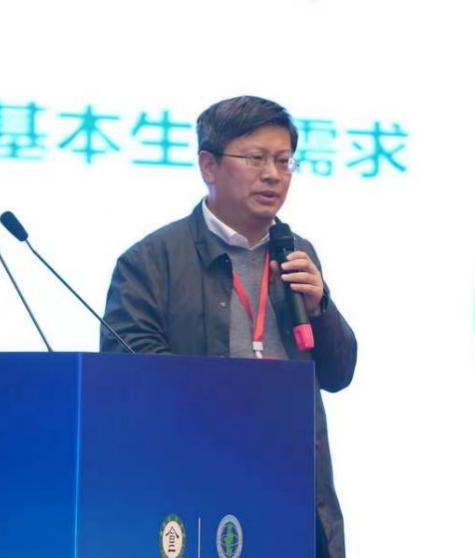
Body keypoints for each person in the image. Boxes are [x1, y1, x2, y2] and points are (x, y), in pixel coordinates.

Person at [100, 95, 357, 558]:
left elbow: (338, 374)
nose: (273, 174)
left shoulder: (296, 252)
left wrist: (320, 307)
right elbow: (129, 378)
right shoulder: (151, 261)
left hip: (293, 492)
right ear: (209, 165)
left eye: (284, 161)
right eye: (256, 158)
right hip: (191, 492)